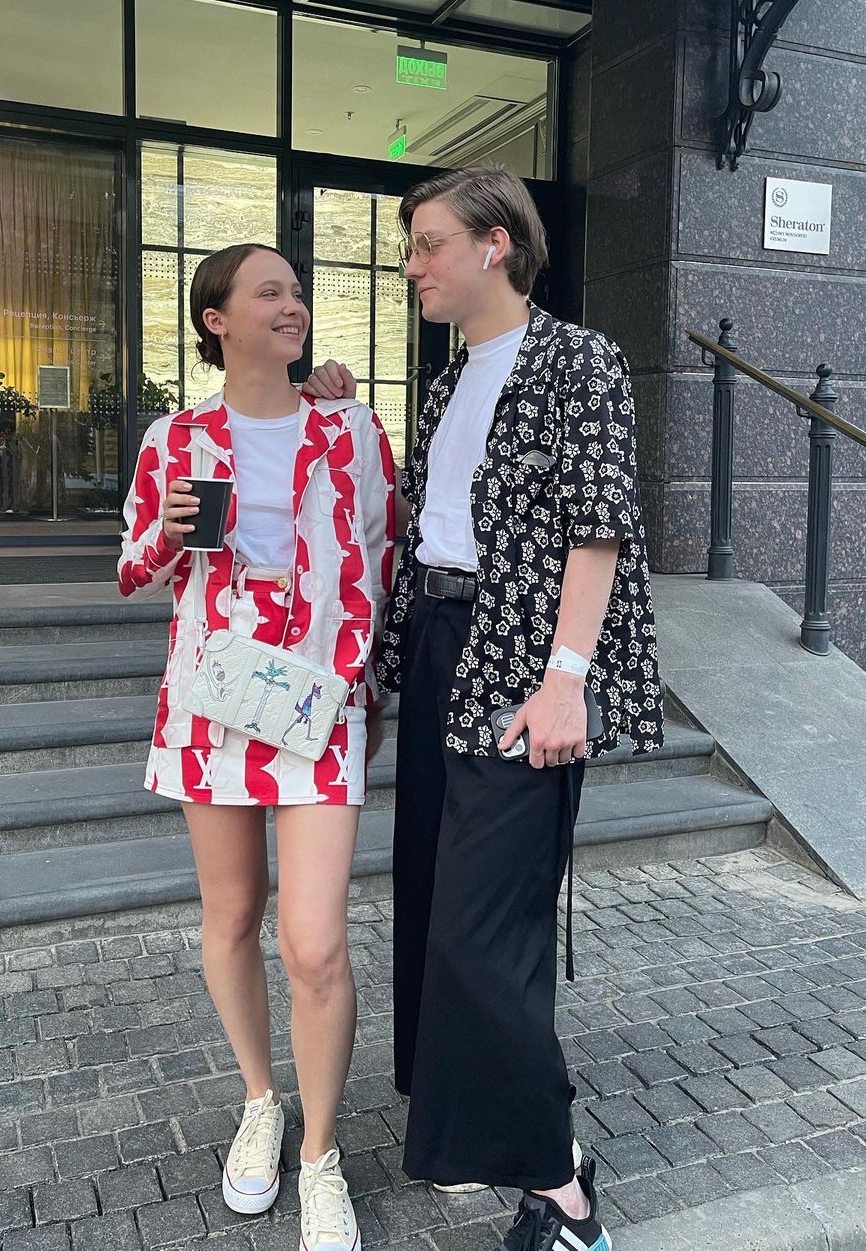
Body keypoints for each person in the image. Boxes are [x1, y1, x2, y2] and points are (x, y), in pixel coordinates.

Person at [306, 166, 663, 1251]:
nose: (412, 265)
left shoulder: (578, 360)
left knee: (481, 931)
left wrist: (568, 679)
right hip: (439, 647)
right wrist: (342, 420)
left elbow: (599, 525)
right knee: (430, 903)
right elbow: (434, 522)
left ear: (495, 243)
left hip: (524, 663)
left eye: (428, 243)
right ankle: (468, 1133)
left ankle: (560, 1184)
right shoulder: (450, 378)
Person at [118, 243, 396, 1251]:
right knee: (232, 914)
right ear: (216, 319)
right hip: (216, 699)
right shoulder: (176, 437)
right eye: (269, 292)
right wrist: (166, 533)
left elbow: (383, 552)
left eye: (297, 292)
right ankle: (259, 1099)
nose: (293, 305)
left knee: (313, 942)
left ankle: (320, 1156)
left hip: (319, 701)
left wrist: (363, 677)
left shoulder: (350, 426)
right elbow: (133, 569)